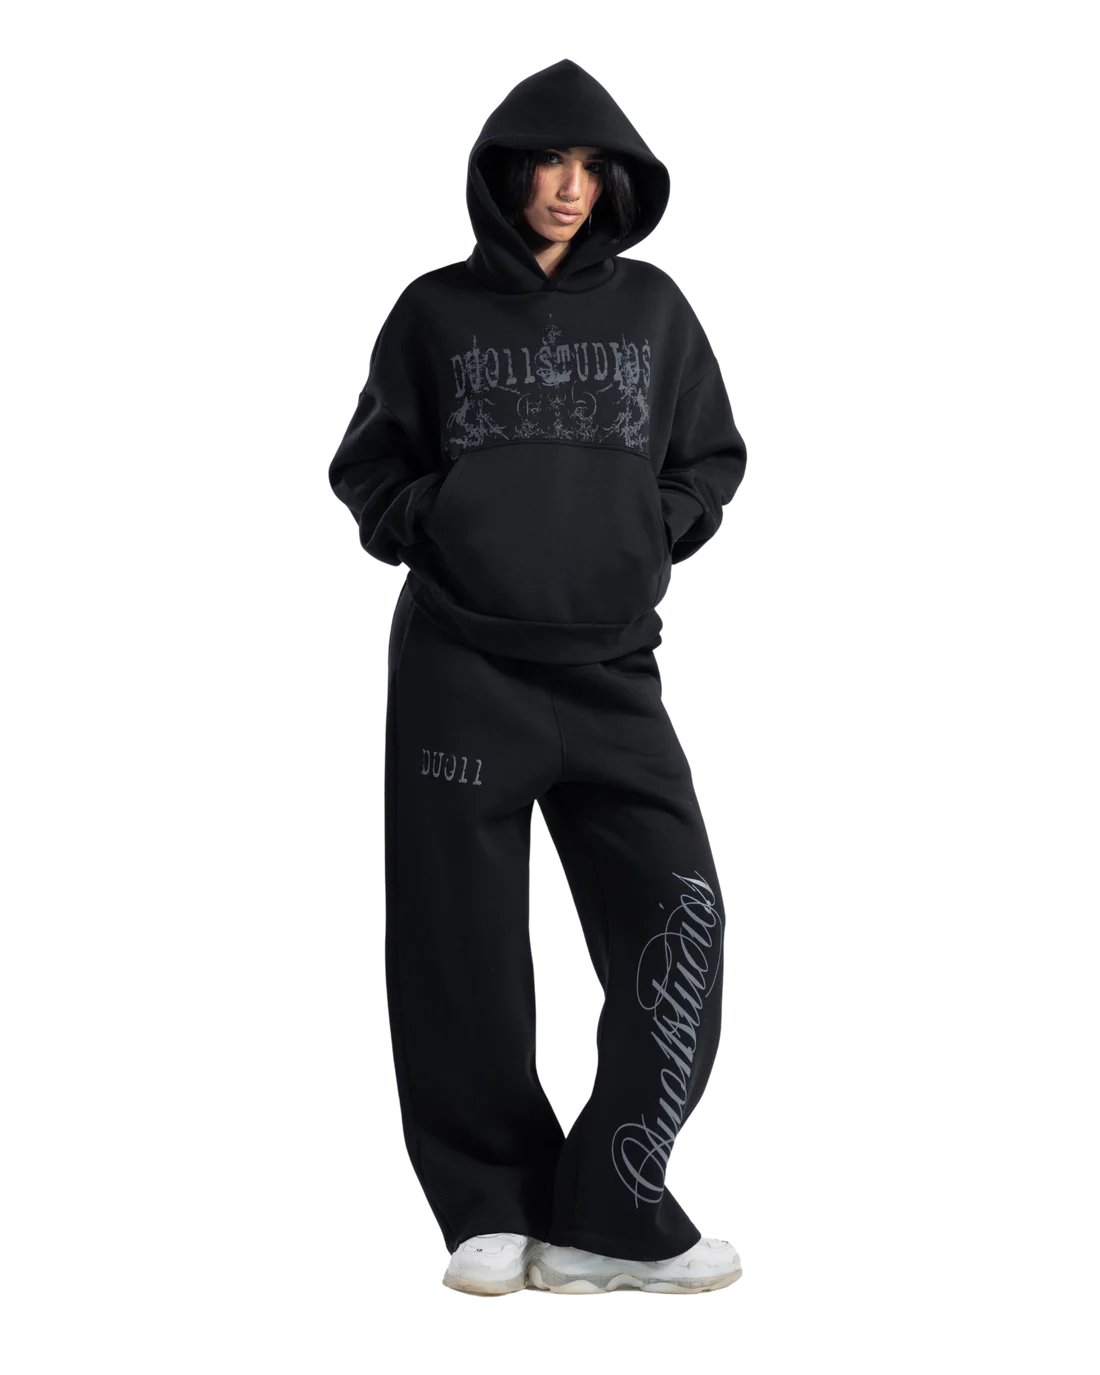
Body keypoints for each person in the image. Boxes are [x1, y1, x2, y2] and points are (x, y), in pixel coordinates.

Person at [328, 58, 749, 1295]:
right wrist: (450, 521)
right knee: (459, 950)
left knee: (680, 916)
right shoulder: (432, 310)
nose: (569, 188)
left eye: (591, 168)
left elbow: (712, 456)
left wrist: (644, 533)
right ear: (502, 176)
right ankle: (483, 1216)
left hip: (614, 669)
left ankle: (612, 1208)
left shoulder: (658, 308)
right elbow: (367, 471)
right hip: (462, 667)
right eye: (547, 165)